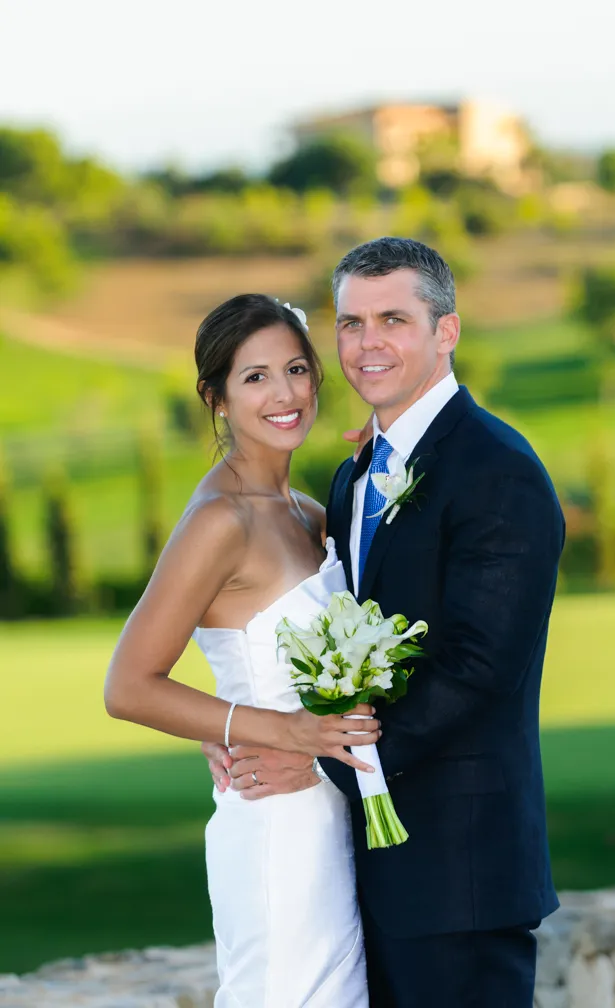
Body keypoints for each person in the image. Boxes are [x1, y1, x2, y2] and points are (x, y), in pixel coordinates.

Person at [204, 237, 565, 1007]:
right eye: (350, 323)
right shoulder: (355, 473)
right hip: (360, 866)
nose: (367, 344)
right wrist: (243, 721)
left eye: (393, 319)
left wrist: (320, 759)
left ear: (446, 332)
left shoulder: (495, 468)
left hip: (458, 871)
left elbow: (475, 670)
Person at [104, 294, 379, 1007]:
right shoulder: (218, 521)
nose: (284, 394)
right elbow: (129, 685)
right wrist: (275, 730)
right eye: (254, 377)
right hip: (274, 830)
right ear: (216, 397)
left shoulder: (310, 513)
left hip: (330, 815)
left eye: (295, 369)